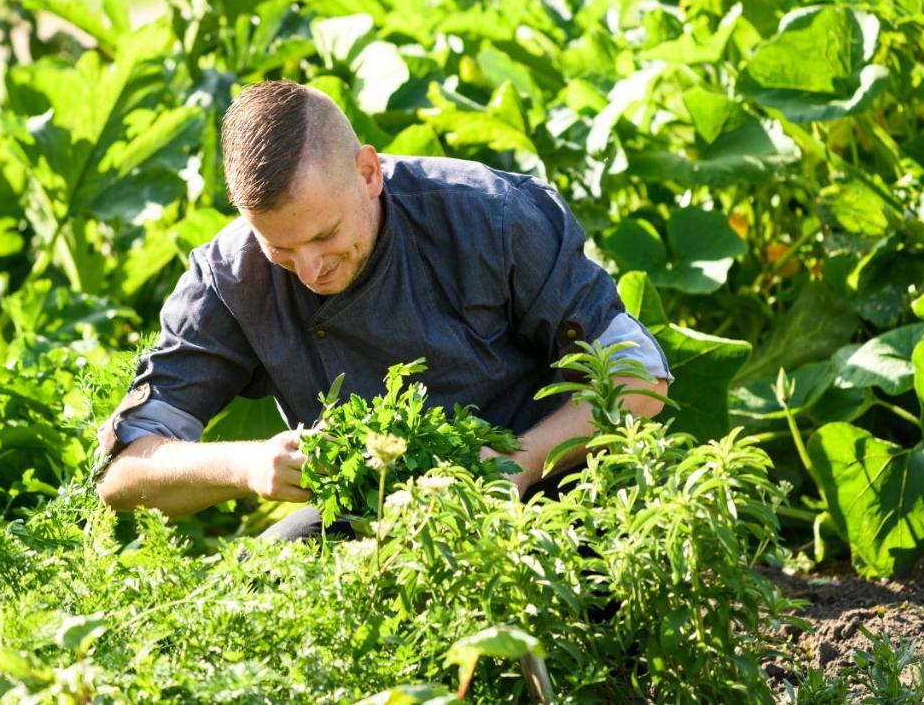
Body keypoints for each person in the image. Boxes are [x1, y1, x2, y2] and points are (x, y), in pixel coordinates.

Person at [95, 80, 672, 540]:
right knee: (260, 591)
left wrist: (513, 462)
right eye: (283, 250)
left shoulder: (490, 215)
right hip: (367, 519)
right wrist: (247, 466)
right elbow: (124, 474)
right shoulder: (231, 276)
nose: (312, 268)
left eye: (326, 235)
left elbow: (641, 377)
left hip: (545, 490)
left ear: (368, 172)